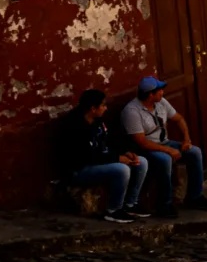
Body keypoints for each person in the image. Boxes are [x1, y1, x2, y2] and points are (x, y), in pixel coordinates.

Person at [122, 77, 207, 218]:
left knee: (195, 152)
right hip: (146, 149)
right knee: (165, 160)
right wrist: (168, 150)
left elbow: (179, 119)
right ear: (150, 95)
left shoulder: (161, 102)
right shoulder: (132, 111)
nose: (162, 92)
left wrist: (186, 139)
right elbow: (141, 142)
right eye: (159, 90)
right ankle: (164, 204)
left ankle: (195, 196)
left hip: (164, 142)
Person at [61, 89, 149, 223]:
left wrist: (125, 152)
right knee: (122, 169)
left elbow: (110, 142)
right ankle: (113, 210)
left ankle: (131, 204)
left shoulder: (99, 121)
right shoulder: (74, 126)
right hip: (80, 169)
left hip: (102, 161)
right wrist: (118, 159)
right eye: (103, 105)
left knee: (141, 162)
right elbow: (88, 157)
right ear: (93, 108)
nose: (106, 108)